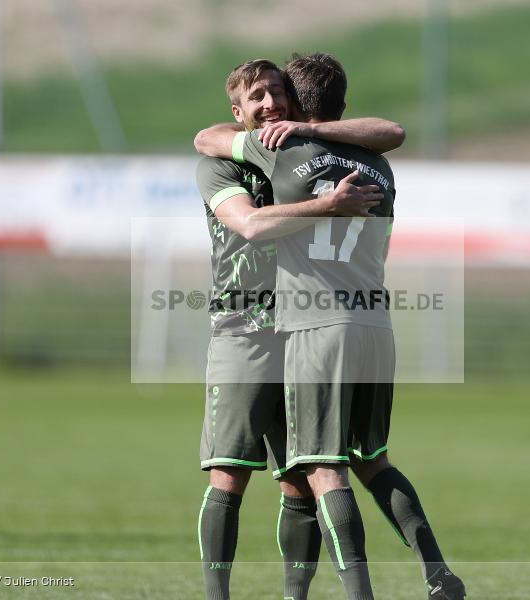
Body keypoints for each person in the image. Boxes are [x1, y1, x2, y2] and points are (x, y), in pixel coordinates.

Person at [194, 53, 466, 600]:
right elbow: (228, 183)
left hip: (309, 328)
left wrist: (308, 141)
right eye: (258, 97)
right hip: (250, 327)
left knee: (308, 476)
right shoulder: (356, 162)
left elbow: (386, 130)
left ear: (297, 104)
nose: (270, 104)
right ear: (239, 108)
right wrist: (332, 203)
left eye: (278, 94)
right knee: (237, 473)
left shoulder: (293, 152)